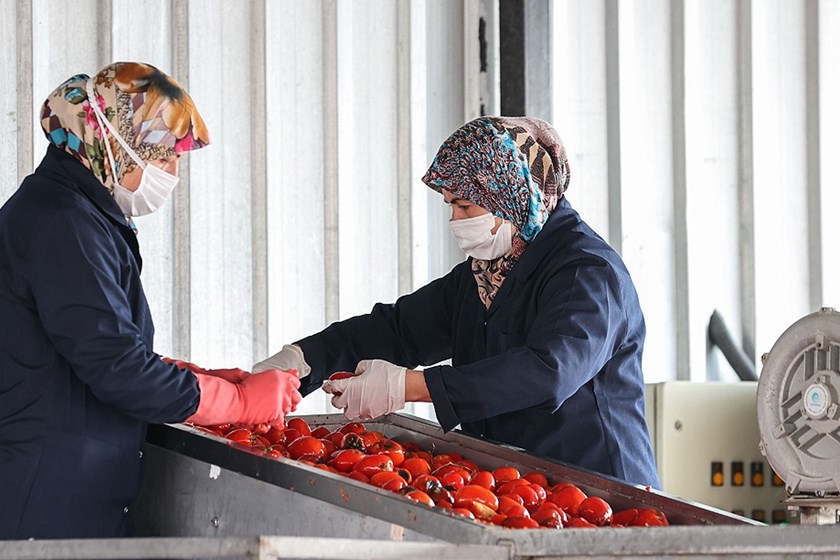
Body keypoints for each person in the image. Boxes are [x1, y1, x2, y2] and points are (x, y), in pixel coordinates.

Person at [0, 62, 301, 542]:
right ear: (117, 147)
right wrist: (236, 401)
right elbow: (121, 370)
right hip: (18, 508)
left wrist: (210, 379)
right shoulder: (62, 226)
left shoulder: (81, 218)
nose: (172, 173)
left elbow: (96, 350)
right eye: (164, 156)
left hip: (53, 501)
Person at [253, 116, 659, 488]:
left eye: (466, 205)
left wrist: (408, 386)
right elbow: (398, 330)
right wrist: (302, 361)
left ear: (512, 197)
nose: (456, 221)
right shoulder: (486, 274)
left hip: (602, 492)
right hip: (519, 486)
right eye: (451, 205)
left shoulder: (587, 273)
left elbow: (547, 371)